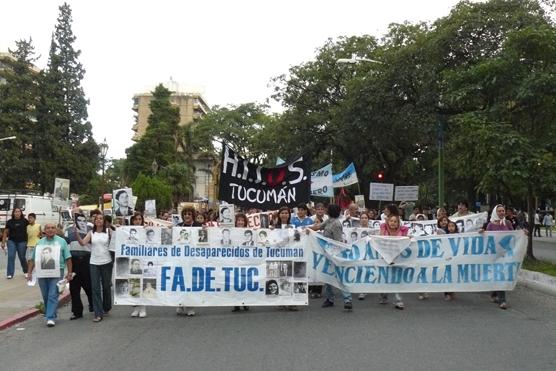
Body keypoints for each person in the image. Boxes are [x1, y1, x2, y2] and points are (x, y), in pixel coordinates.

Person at [308, 204, 353, 311]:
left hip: (335, 254)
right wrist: (308, 229)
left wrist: (334, 253)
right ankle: (330, 298)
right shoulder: (329, 220)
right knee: (327, 276)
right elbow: (319, 227)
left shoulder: (336, 224)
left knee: (339, 277)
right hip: (327, 252)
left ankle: (347, 299)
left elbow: (338, 241)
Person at [27, 223, 73, 327]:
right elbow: (32, 259)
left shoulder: (62, 241)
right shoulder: (40, 243)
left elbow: (68, 258)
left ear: (56, 230)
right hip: (42, 272)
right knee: (46, 295)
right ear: (44, 230)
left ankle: (50, 317)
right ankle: (52, 313)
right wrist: (29, 272)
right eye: (48, 228)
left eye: (52, 228)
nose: (50, 230)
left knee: (53, 294)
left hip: (57, 272)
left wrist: (69, 273)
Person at [76, 213, 113, 322]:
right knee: (95, 288)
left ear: (104, 221)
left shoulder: (108, 231)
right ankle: (98, 313)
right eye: (96, 219)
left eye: (101, 219)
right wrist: (77, 234)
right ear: (94, 221)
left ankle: (107, 306)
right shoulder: (91, 233)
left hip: (107, 262)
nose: (99, 220)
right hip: (94, 263)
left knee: (106, 286)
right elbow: (83, 243)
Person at [379, 212, 408, 310]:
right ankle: (384, 295)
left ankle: (398, 300)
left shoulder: (402, 230)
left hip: (397, 258)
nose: (393, 223)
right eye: (391, 221)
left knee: (396, 279)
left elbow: (406, 240)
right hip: (385, 257)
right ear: (388, 221)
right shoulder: (384, 228)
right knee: (385, 277)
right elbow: (381, 238)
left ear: (398, 223)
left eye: (395, 221)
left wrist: (409, 238)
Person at [2, 207, 29, 279]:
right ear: (13, 213)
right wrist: (3, 242)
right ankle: (10, 273)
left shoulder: (25, 221)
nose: (17, 213)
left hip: (22, 241)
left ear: (21, 213)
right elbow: (5, 232)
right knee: (11, 257)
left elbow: (30, 230)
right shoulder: (9, 222)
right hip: (11, 241)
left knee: (22, 257)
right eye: (15, 212)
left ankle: (26, 271)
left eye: (18, 211)